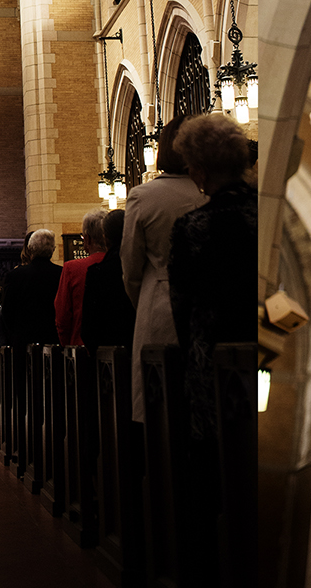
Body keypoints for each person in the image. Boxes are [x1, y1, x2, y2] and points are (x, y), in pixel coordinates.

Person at [168, 114, 259, 443]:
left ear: (201, 170)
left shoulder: (192, 226)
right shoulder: (262, 211)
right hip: (259, 348)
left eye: (190, 166)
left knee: (221, 454)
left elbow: (181, 307)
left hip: (213, 361)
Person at [121, 116, 204, 422]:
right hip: (210, 306)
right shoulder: (208, 194)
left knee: (160, 403)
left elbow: (130, 268)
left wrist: (142, 299)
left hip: (158, 302)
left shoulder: (144, 196)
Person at [81, 208, 136, 350]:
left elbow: (89, 323)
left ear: (106, 237)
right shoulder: (140, 264)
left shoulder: (98, 272)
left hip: (107, 347)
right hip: (137, 342)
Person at [1, 229, 62, 351]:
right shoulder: (61, 274)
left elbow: (7, 311)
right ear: (53, 249)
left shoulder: (15, 275)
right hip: (53, 340)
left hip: (23, 342)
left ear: (30, 249)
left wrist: (16, 335)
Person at [54, 209, 107, 346]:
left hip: (82, 348)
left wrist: (67, 347)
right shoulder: (124, 265)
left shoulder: (72, 268)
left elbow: (63, 316)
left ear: (88, 238)